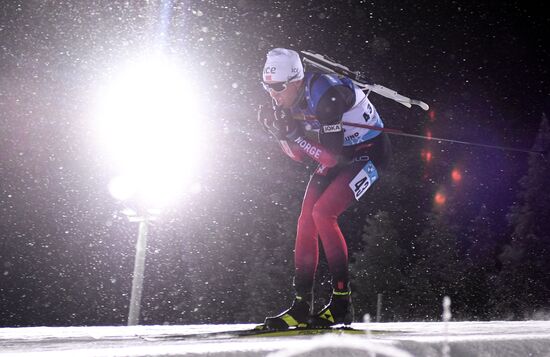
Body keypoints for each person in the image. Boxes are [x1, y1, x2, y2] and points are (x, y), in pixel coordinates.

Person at [257, 48, 392, 329]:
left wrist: (293, 133)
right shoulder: (284, 99)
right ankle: (300, 306)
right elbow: (297, 155)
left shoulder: (326, 95)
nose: (273, 94)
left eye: (278, 87)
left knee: (324, 213)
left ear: (296, 81)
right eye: (267, 87)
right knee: (306, 219)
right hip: (338, 152)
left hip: (370, 151)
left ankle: (342, 304)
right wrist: (280, 135)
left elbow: (331, 158)